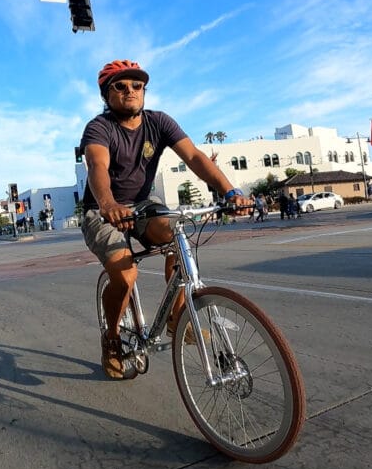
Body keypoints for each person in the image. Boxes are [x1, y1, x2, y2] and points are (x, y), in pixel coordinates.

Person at [80, 59, 250, 380]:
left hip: (144, 205)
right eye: (120, 86)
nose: (130, 91)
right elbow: (97, 167)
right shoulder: (99, 128)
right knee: (126, 276)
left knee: (177, 235)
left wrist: (230, 192)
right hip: (102, 210)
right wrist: (109, 204)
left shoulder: (159, 122)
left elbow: (196, 157)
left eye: (137, 85)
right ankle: (112, 338)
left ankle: (177, 315)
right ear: (106, 94)